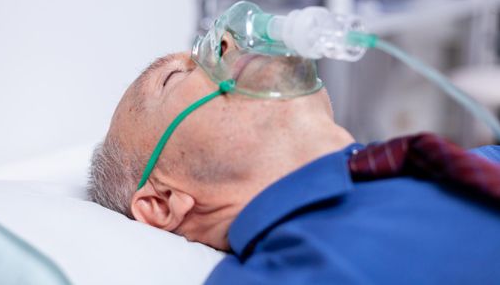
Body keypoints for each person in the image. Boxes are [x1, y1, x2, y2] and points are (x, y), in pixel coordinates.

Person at [87, 43, 500, 284]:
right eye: (174, 76)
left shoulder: (446, 165)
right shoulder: (284, 273)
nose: (226, 44)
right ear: (162, 202)